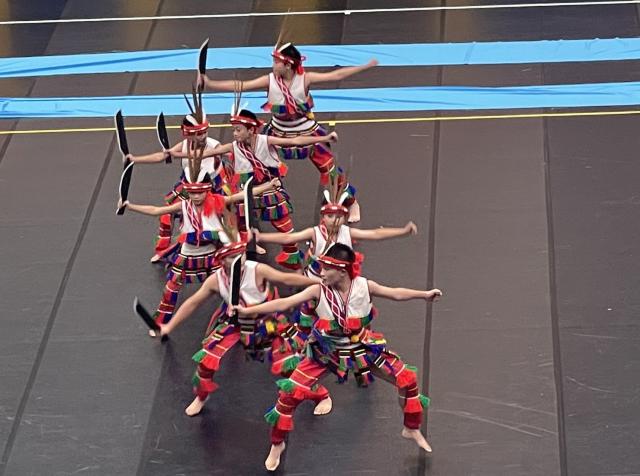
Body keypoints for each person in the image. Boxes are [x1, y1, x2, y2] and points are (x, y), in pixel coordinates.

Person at [234, 243, 442, 471]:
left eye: (326, 269)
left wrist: (424, 295)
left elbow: (395, 293)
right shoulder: (318, 290)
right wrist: (248, 311)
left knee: (407, 380)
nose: (321, 273)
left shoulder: (364, 286)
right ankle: (277, 444)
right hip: (326, 353)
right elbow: (285, 303)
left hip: (362, 349)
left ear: (342, 271)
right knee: (288, 395)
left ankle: (411, 427)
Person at [198, 42, 378, 222]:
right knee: (251, 165)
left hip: (306, 130)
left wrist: (364, 67)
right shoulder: (269, 80)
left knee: (329, 169)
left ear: (288, 65)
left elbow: (335, 75)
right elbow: (241, 85)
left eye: (276, 62)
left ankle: (352, 202)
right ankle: (245, 206)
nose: (273, 65)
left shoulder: (305, 79)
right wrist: (211, 83)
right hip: (277, 131)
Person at [157, 238, 333, 418]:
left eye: (240, 255)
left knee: (288, 366)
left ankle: (322, 396)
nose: (238, 260)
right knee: (207, 360)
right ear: (220, 260)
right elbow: (193, 302)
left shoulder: (257, 270)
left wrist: (317, 284)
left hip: (268, 323)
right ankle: (201, 396)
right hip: (236, 324)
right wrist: (169, 326)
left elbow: (286, 279)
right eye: (231, 257)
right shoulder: (216, 280)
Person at [119, 142, 280, 328]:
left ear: (207, 189)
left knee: (230, 285)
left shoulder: (218, 201)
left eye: (200, 193)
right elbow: (156, 210)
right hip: (188, 253)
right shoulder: (183, 206)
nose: (196, 197)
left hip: (213, 255)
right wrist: (129, 206)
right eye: (192, 193)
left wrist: (268, 185)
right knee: (172, 287)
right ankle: (161, 321)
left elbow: (243, 195)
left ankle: (239, 313)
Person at [204, 108, 339, 270]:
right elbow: (212, 152)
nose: (234, 134)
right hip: (247, 191)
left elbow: (295, 141)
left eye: (238, 130)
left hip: (269, 189)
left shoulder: (265, 141)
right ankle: (248, 247)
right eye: (234, 130)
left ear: (251, 130)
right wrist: (186, 154)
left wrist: (325, 137)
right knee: (241, 223)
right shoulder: (233, 147)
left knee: (283, 224)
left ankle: (292, 258)